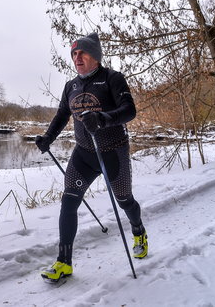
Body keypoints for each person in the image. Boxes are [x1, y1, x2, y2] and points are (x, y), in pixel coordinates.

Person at [35, 32, 148, 281]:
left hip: (113, 152)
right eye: (74, 53)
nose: (77, 57)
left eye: (82, 52)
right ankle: (63, 262)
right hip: (84, 154)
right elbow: (62, 115)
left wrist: (104, 118)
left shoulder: (112, 79)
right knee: (69, 201)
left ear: (95, 56)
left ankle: (138, 230)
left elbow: (129, 110)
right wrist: (48, 138)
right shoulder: (71, 86)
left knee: (125, 201)